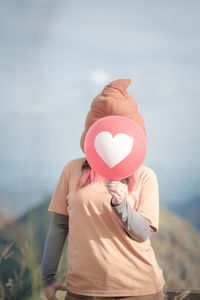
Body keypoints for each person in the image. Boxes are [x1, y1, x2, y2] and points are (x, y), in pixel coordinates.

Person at [41, 79, 166, 300]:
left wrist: (121, 205)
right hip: (82, 290)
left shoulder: (146, 176)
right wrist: (47, 278)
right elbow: (59, 225)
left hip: (138, 289)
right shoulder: (72, 169)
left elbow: (143, 233)